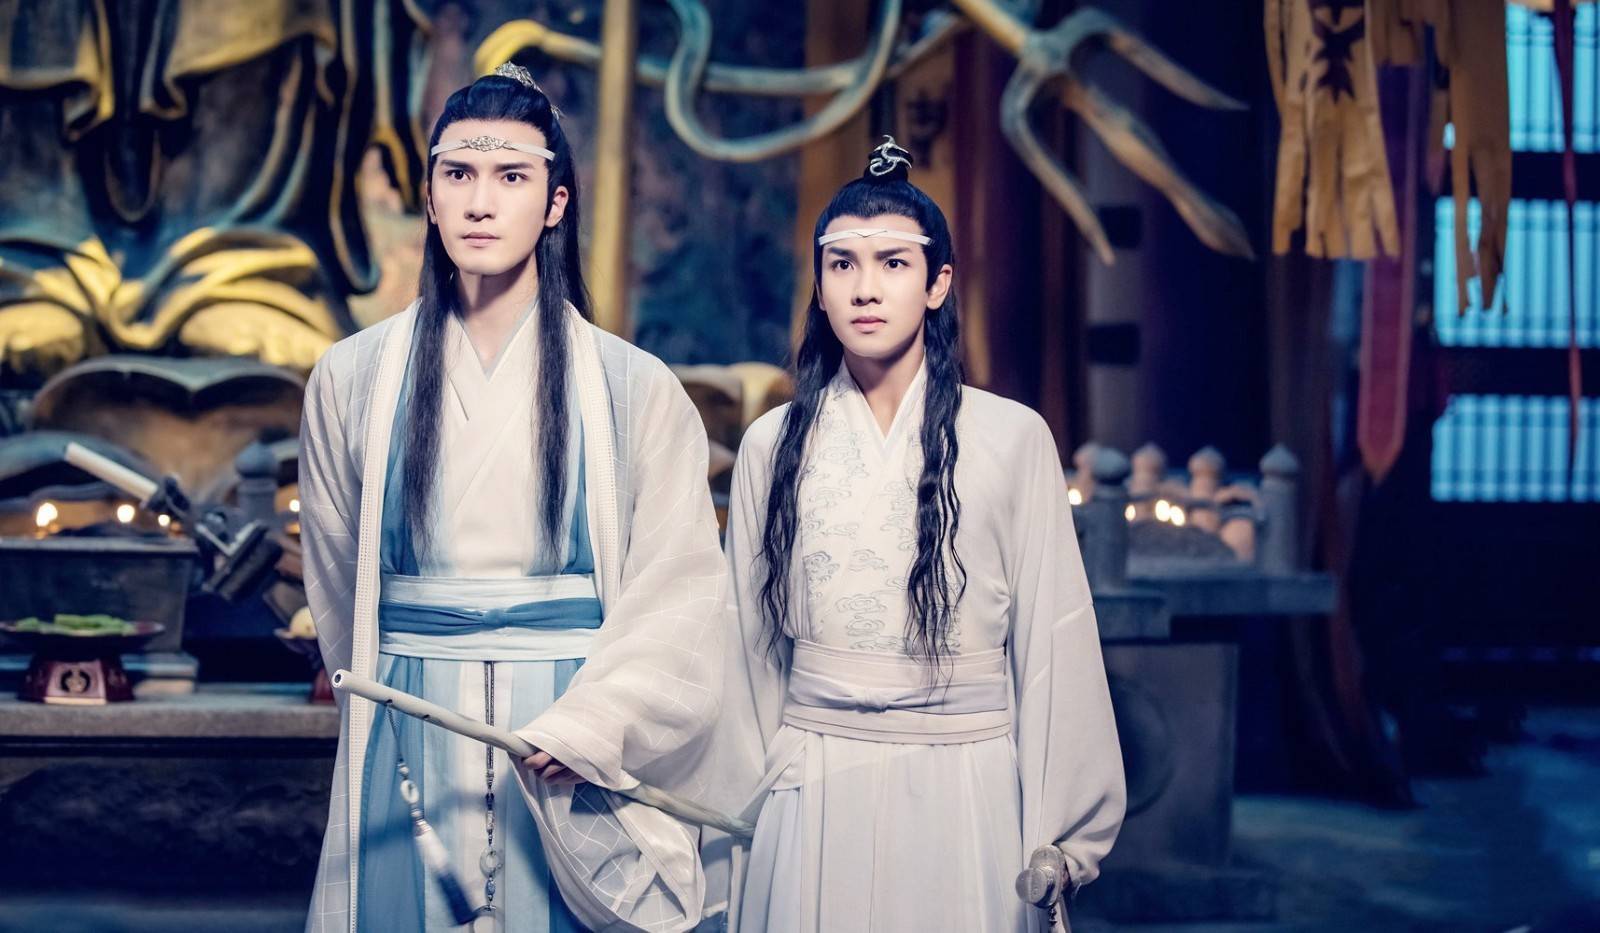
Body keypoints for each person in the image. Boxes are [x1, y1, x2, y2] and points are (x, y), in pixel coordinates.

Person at [298, 63, 729, 932]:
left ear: (556, 202)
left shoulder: (633, 387)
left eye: (512, 177)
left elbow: (680, 590)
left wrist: (595, 725)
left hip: (567, 729)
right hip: (407, 716)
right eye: (458, 174)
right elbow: (341, 585)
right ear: (428, 198)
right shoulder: (350, 378)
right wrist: (387, 681)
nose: (481, 203)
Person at [715, 137, 1125, 932]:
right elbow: (746, 650)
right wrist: (737, 807)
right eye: (842, 264)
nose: (865, 288)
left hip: (965, 780)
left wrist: (1063, 832)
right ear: (819, 285)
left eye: (894, 263)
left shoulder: (1013, 437)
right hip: (812, 774)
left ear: (938, 283)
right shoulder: (772, 443)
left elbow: (1054, 638)